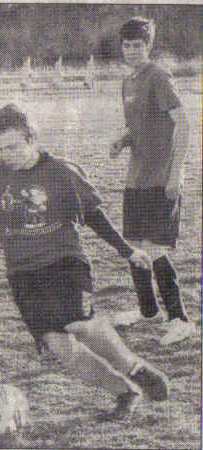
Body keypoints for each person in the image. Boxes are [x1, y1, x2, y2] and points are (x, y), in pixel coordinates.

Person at [0, 104, 169, 421]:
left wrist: (127, 251)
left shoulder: (61, 171)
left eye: (12, 146)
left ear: (31, 138)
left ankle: (134, 367)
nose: (7, 155)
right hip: (22, 273)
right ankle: (125, 392)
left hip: (65, 261)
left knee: (79, 323)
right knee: (61, 348)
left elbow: (93, 215)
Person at [110, 17, 196, 345]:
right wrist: (123, 141)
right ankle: (148, 311)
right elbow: (139, 126)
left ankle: (180, 319)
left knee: (156, 249)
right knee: (135, 248)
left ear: (149, 46)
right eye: (127, 45)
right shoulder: (127, 82)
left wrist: (176, 173)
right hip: (136, 178)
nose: (132, 50)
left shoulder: (159, 76)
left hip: (161, 178)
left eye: (138, 45)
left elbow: (184, 123)